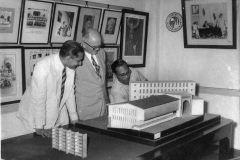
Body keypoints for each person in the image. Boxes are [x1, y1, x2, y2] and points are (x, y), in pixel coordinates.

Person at [16, 40, 84, 138]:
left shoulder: (69, 67)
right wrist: (39, 126)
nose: (80, 63)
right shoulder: (43, 67)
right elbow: (39, 99)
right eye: (78, 60)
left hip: (56, 111)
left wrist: (74, 117)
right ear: (69, 58)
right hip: (36, 115)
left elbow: (69, 93)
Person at [75, 28, 109, 120]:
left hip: (102, 107)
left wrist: (107, 103)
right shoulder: (75, 56)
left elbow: (101, 82)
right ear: (84, 44)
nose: (98, 49)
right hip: (85, 109)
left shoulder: (102, 53)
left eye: (100, 45)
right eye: (94, 47)